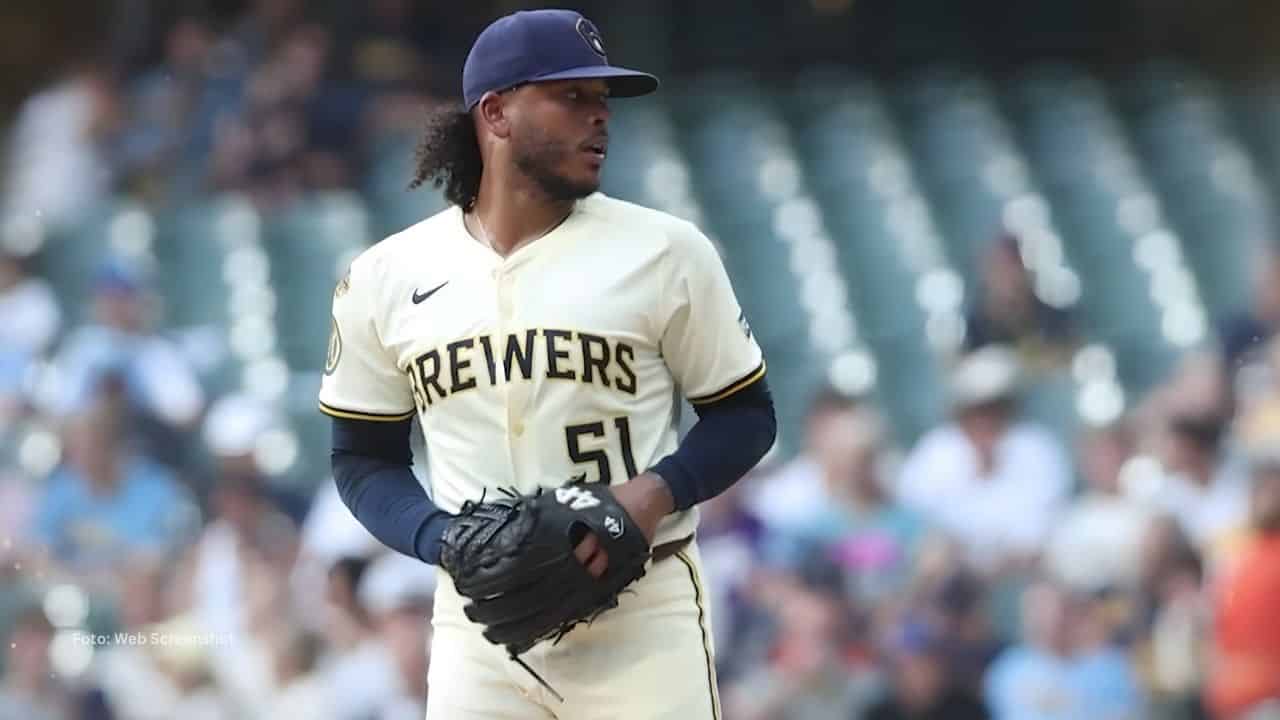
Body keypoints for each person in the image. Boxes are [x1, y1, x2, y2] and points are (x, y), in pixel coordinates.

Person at [318, 9, 776, 719]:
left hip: (641, 617)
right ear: (495, 113)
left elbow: (746, 415)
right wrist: (444, 541)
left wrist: (653, 493)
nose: (600, 118)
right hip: (482, 630)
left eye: (603, 101)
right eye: (572, 97)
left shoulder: (667, 251)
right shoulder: (386, 277)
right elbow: (361, 459)